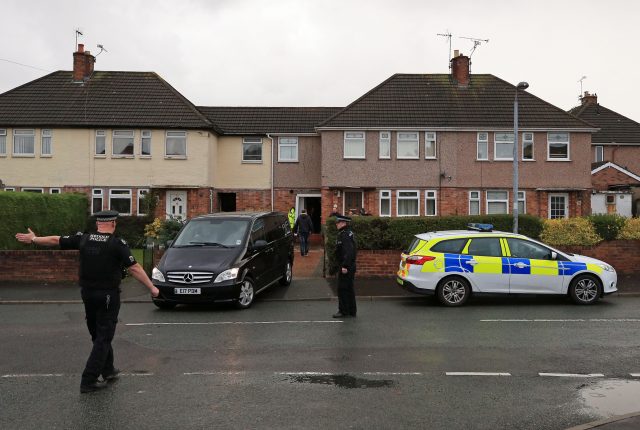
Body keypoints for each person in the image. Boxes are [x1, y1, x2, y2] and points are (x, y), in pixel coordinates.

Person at [15, 210, 159, 393]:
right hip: (107, 295)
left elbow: (56, 240)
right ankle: (88, 380)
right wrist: (152, 288)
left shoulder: (84, 238)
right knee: (104, 337)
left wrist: (34, 239)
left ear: (98, 224)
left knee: (97, 334)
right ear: (113, 224)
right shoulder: (117, 244)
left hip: (87, 294)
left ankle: (108, 370)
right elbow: (135, 268)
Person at [333, 215, 357, 318]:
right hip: (349, 265)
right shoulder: (347, 233)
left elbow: (349, 251)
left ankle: (343, 311)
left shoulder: (345, 235)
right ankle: (351, 310)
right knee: (349, 288)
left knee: (342, 289)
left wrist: (345, 266)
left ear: (344, 223)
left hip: (346, 266)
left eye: (338, 222)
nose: (336, 224)